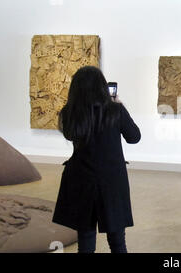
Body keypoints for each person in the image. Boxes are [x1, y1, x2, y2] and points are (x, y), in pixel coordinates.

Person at [52, 66, 141, 253]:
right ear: (102, 87)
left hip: (80, 177)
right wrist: (119, 105)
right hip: (111, 179)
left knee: (85, 239)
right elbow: (134, 137)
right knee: (117, 241)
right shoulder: (115, 110)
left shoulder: (70, 112)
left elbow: (69, 136)